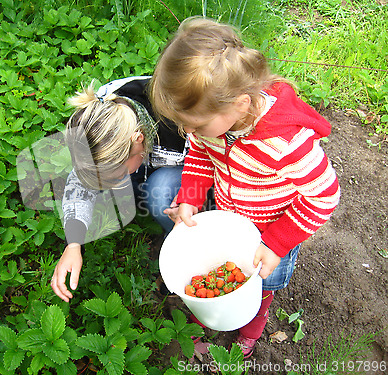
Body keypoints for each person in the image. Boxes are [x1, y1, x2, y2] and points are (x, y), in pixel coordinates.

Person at [149, 17, 340, 358]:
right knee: (221, 270)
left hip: (273, 229)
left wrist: (277, 243)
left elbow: (324, 195)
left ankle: (253, 323)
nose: (189, 132)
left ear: (239, 103)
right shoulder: (213, 126)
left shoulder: (286, 143)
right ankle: (210, 313)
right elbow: (199, 154)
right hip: (230, 220)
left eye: (196, 124)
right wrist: (190, 198)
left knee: (261, 281)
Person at [51, 76, 189, 303]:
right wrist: (73, 243)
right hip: (142, 161)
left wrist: (186, 201)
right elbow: (80, 183)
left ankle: (180, 246)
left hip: (188, 164)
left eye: (116, 175)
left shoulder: (178, 122)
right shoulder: (100, 119)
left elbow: (210, 162)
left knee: (161, 189)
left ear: (138, 139)